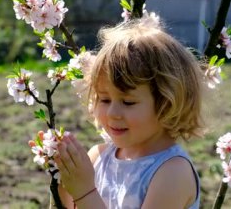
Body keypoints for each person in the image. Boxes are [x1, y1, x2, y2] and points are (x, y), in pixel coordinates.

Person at [54, 14, 204, 209]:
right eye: (104, 99)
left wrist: (84, 192)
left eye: (128, 102)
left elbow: (85, 198)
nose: (112, 113)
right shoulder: (98, 158)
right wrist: (62, 177)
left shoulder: (172, 172)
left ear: (167, 103)